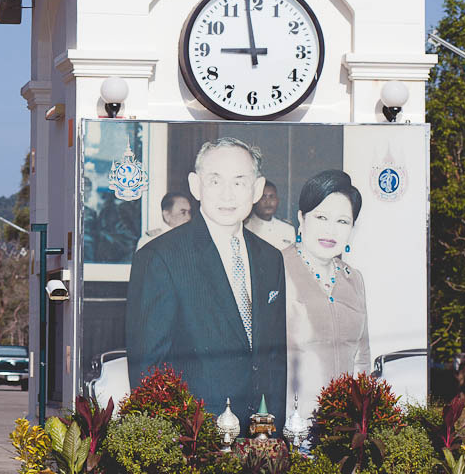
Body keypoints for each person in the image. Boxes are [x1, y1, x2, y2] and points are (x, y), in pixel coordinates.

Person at [125, 137, 287, 430]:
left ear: (257, 189)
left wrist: (274, 438)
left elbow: (274, 360)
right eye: (215, 181)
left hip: (259, 441)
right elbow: (148, 370)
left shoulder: (271, 258)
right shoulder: (160, 257)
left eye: (239, 182)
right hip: (194, 441)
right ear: (195, 185)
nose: (228, 195)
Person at [283, 169, 370, 423]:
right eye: (321, 217)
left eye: (342, 221)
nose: (331, 230)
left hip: (344, 427)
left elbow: (362, 357)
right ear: (301, 218)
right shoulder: (276, 268)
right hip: (290, 424)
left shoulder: (354, 279)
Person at [245, 180, 296, 250]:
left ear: (277, 200)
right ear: (255, 200)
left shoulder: (287, 230)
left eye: (271, 196)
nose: (268, 202)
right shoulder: (245, 228)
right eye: (263, 197)